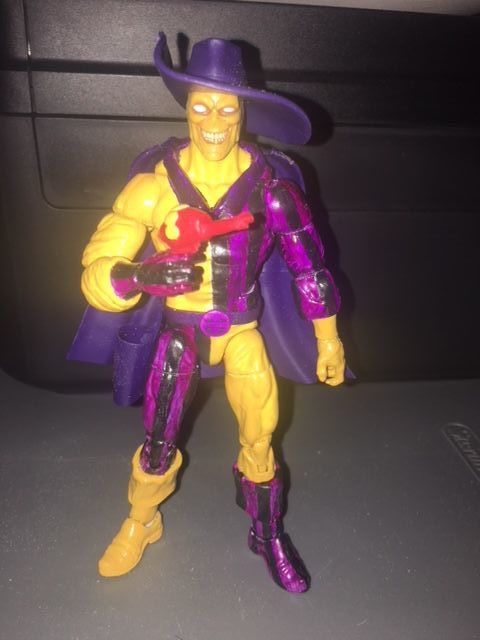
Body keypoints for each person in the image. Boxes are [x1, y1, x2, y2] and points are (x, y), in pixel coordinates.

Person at [74, 33, 345, 593]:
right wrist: (140, 275)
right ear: (186, 109)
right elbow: (98, 268)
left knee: (261, 433)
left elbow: (310, 268)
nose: (214, 120)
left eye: (227, 108)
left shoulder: (271, 191)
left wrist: (329, 340)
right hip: (182, 329)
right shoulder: (153, 188)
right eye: (201, 107)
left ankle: (266, 531)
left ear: (244, 112)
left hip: (242, 328)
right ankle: (141, 520)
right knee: (158, 439)